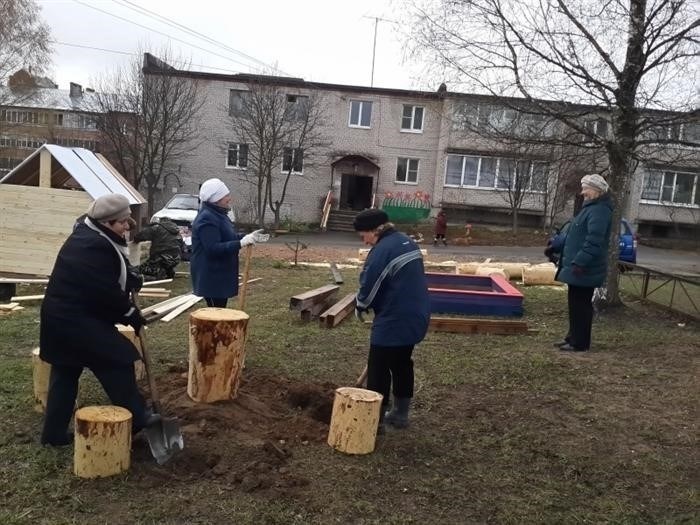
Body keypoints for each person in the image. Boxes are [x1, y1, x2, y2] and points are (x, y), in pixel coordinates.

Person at [40, 194, 156, 446]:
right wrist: (130, 314)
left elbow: (110, 270)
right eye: (123, 222)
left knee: (65, 372)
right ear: (106, 222)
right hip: (75, 321)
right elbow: (103, 290)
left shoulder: (89, 234)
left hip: (62, 317)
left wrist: (131, 278)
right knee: (118, 360)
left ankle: (53, 435)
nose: (127, 226)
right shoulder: (93, 245)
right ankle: (138, 418)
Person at [354, 208, 430, 431]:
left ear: (374, 230)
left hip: (395, 318)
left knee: (378, 368)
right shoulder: (407, 242)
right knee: (401, 363)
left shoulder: (382, 251)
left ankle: (374, 422)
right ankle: (400, 414)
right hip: (416, 314)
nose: (365, 242)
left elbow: (369, 287)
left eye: (363, 236)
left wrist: (360, 304)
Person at [554, 174, 613, 352]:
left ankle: (580, 343)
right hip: (579, 267)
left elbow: (594, 241)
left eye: (585, 188)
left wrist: (580, 262)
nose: (582, 192)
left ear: (596, 190)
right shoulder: (591, 207)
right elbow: (577, 234)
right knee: (575, 303)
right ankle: (572, 338)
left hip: (585, 268)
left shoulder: (600, 210)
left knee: (581, 305)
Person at [190, 178, 269, 308]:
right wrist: (240, 243)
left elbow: (227, 237)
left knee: (220, 314)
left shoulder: (218, 214)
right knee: (216, 315)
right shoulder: (207, 219)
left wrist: (247, 237)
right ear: (216, 199)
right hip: (212, 278)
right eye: (226, 195)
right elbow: (213, 248)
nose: (229, 198)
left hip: (219, 275)